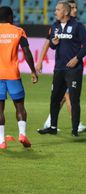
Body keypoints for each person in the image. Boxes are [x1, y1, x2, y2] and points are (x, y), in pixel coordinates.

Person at [36, 0, 86, 133]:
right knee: (55, 98)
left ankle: (75, 129)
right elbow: (52, 46)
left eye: (57, 10)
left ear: (64, 11)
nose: (55, 12)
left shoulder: (78, 26)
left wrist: (77, 58)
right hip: (59, 68)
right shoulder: (55, 26)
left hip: (74, 69)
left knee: (74, 99)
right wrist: (54, 42)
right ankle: (52, 127)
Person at [0, 6, 38, 149]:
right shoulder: (18, 31)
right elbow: (27, 53)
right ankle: (22, 134)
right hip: (12, 75)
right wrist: (33, 71)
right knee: (20, 106)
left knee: (0, 109)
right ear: (10, 16)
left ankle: (1, 141)